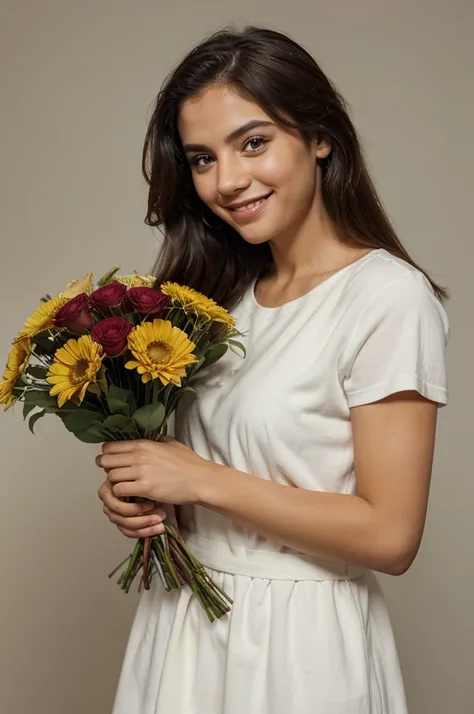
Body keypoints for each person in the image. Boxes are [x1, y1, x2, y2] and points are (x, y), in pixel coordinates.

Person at [96, 25, 450, 714]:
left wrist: (201, 479)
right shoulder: (216, 299)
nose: (226, 181)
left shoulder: (386, 298)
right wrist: (149, 496)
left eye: (252, 142)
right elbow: (213, 470)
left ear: (320, 137)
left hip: (300, 644)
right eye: (202, 158)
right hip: (183, 626)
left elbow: (391, 535)